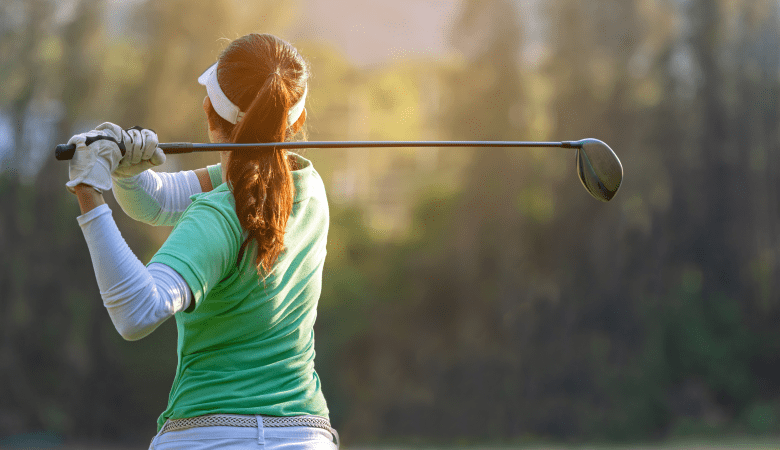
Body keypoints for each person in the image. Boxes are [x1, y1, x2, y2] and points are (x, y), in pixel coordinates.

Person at [66, 33, 338, 449]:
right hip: (303, 436)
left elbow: (137, 312)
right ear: (295, 122)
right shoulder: (311, 189)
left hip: (208, 436)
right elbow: (157, 202)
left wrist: (89, 191)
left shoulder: (218, 214)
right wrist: (128, 174)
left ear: (209, 112)